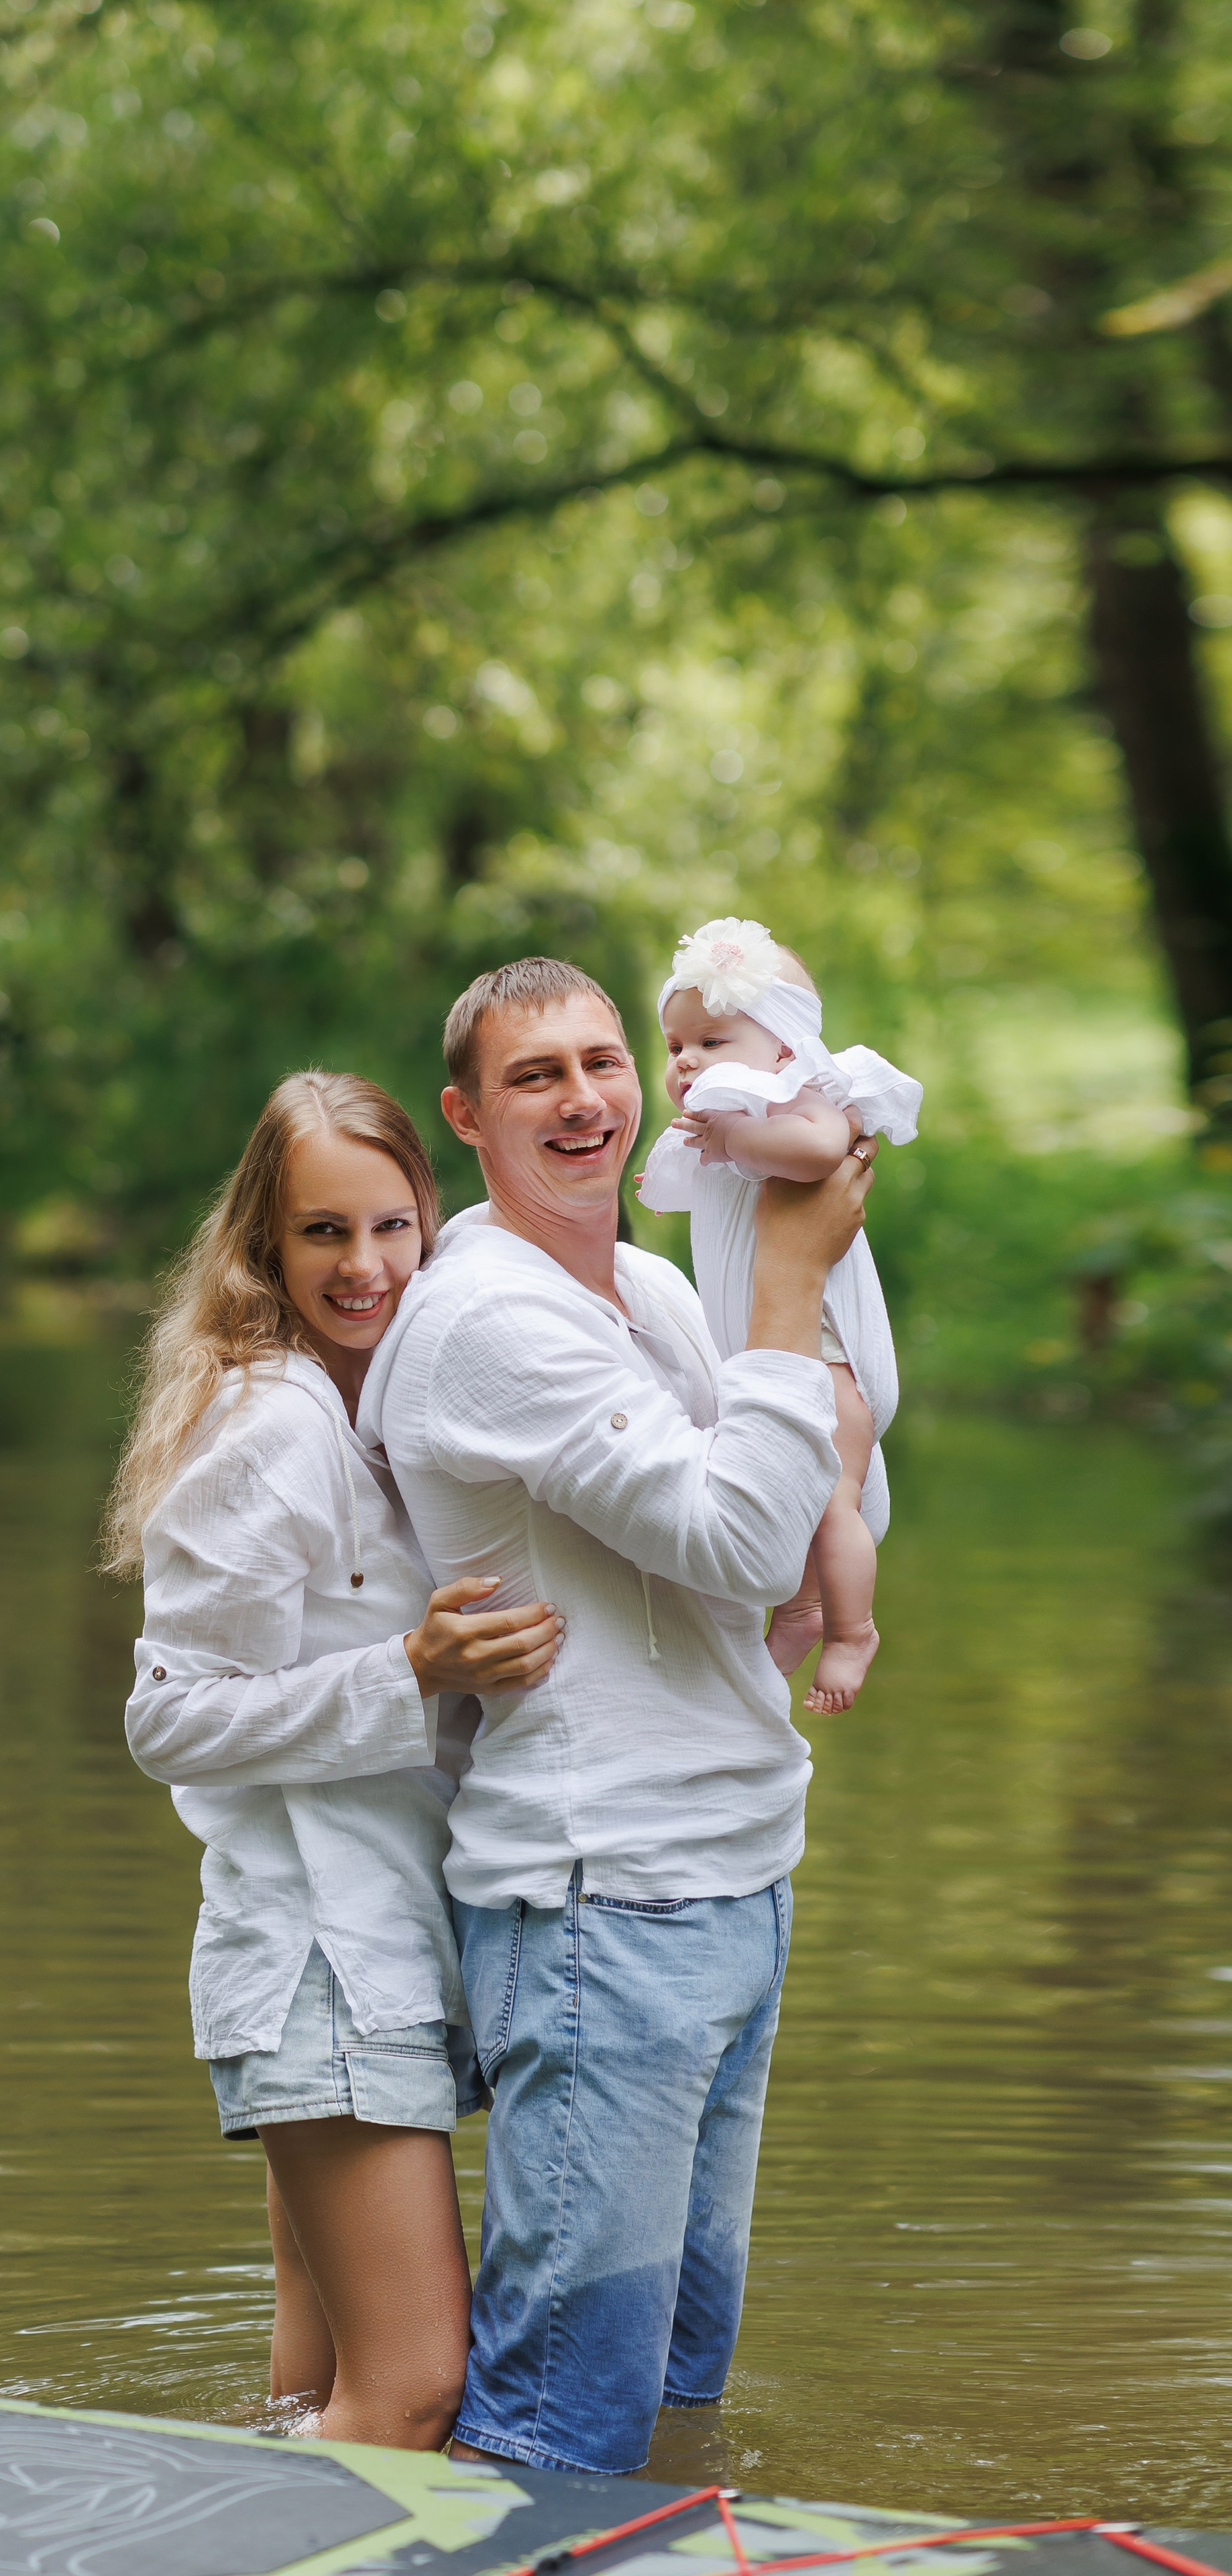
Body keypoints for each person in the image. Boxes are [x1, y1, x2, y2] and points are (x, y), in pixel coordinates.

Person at [357, 957, 875, 2479]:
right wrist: (787, 1285)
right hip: (602, 1904)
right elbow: (737, 1541)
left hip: (735, 1868)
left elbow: (790, 1523)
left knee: (673, 2395)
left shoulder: (650, 1289)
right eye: (535, 1075)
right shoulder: (485, 1320)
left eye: (602, 1061)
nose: (582, 1098)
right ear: (466, 1116)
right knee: (560, 2424)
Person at [109, 1070, 563, 2451]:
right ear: (264, 1242)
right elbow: (168, 1719)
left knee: (314, 2398)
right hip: (320, 1963)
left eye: (389, 1227)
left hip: (374, 1950)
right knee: (412, 2393)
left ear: (432, 1222)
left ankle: (239, 2532)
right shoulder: (271, 1424)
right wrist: (409, 1671)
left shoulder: (375, 1408)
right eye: (322, 1233)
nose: (363, 1267)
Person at [638, 916, 922, 1711]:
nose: (687, 1061)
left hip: (825, 1353)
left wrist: (733, 1137)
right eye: (675, 1046)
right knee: (796, 1492)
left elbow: (823, 1150)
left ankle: (851, 1630)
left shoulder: (800, 1099)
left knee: (829, 1502)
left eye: (712, 1042)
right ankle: (799, 1609)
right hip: (770, 1347)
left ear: (785, 1049)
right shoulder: (743, 1113)